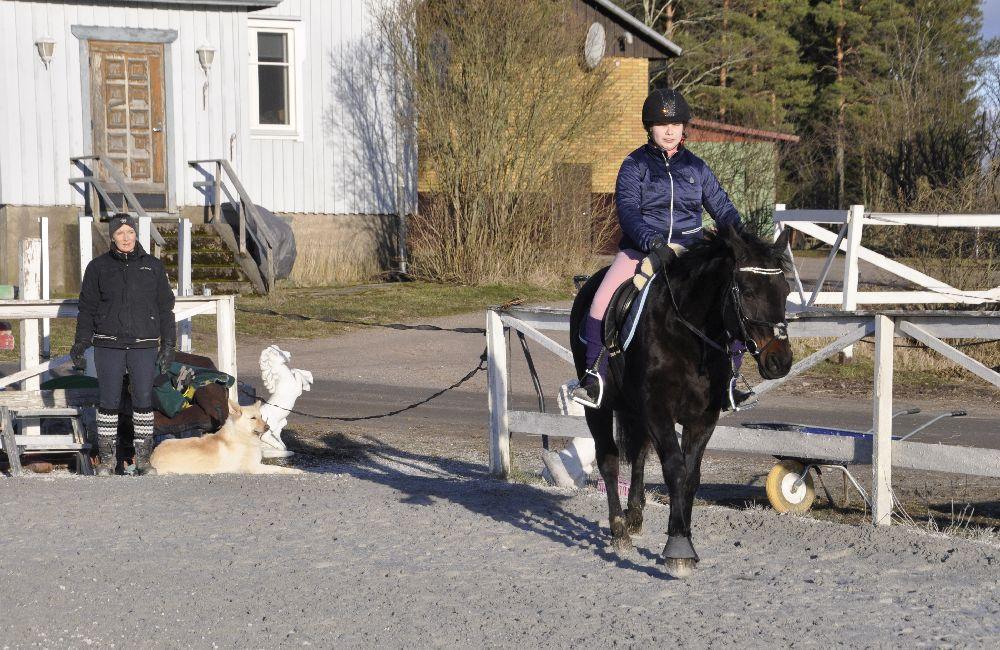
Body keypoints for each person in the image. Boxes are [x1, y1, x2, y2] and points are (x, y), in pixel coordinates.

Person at [571, 88, 748, 409]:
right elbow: (627, 210)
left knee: (731, 297)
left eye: (676, 124)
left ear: (684, 128)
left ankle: (731, 381)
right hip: (642, 249)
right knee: (600, 300)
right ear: (649, 128)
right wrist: (651, 242)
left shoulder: (697, 168)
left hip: (691, 254)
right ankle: (594, 376)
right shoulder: (634, 165)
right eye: (662, 124)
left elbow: (722, 208)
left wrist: (741, 239)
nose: (669, 131)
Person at [71, 213, 176, 475]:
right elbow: (87, 308)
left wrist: (168, 345)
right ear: (112, 237)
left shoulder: (152, 266)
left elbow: (166, 308)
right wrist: (81, 342)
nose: (126, 237)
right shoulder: (98, 267)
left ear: (136, 235)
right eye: (120, 233)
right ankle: (107, 460)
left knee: (142, 400)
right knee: (108, 402)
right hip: (108, 344)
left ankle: (143, 460)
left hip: (144, 344)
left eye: (130, 232)